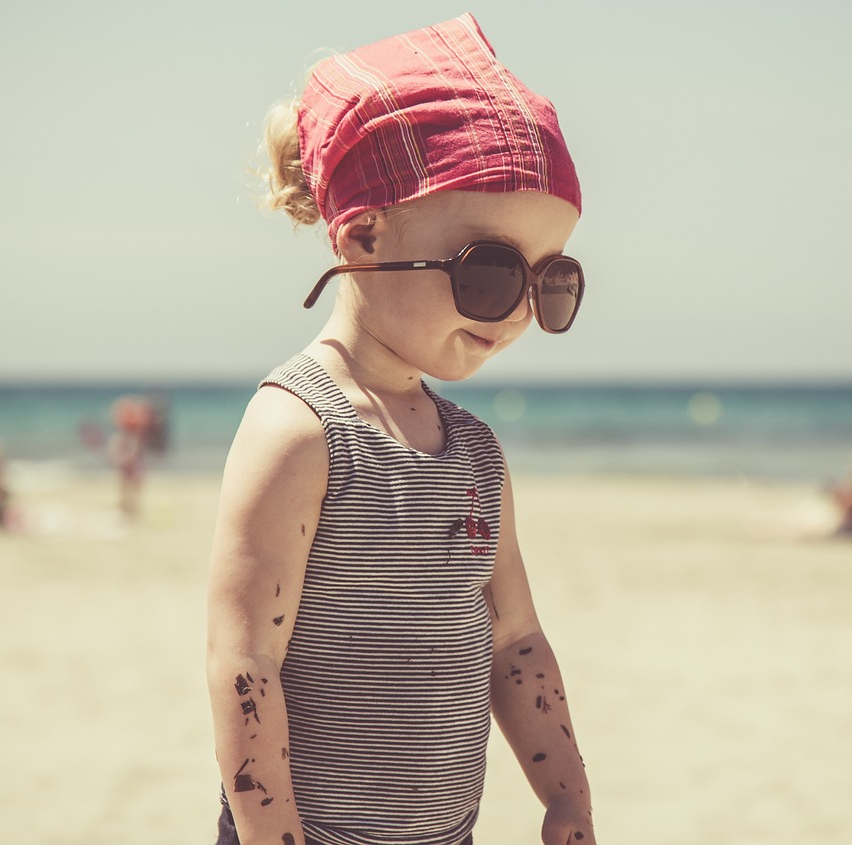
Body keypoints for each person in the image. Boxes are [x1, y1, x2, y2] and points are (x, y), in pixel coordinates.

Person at [206, 15, 594, 845]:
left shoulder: (476, 453)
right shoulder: (300, 430)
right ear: (364, 235)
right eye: (491, 271)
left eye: (550, 279)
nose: (521, 310)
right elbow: (246, 666)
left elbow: (515, 639)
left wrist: (567, 797)